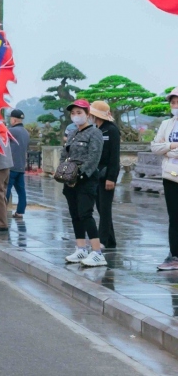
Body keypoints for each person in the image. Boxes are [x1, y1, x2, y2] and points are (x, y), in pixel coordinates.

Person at [61, 100, 107, 268]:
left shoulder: (95, 133)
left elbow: (94, 157)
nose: (76, 116)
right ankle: (81, 248)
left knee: (85, 214)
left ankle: (97, 253)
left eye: (79, 113)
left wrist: (80, 175)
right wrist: (63, 172)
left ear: (88, 114)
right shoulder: (72, 133)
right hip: (70, 178)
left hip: (86, 179)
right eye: (73, 113)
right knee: (75, 215)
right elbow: (64, 152)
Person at [148, 88, 178, 271]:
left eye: (177, 102)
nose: (175, 105)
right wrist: (173, 145)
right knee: (174, 218)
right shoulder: (167, 124)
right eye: (173, 102)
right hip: (170, 176)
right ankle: (174, 254)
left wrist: (167, 150)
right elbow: (155, 147)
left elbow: (162, 149)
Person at [90, 101, 120, 249]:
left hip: (107, 175)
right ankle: (111, 241)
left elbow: (115, 156)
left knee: (105, 208)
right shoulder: (97, 129)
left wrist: (111, 178)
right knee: (101, 208)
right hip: (97, 174)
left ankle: (102, 240)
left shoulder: (112, 130)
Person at [4, 109, 29, 219]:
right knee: (21, 191)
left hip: (11, 165)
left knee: (6, 189)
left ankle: (1, 211)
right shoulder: (26, 132)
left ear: (14, 119)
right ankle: (20, 212)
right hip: (21, 166)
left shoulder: (11, 131)